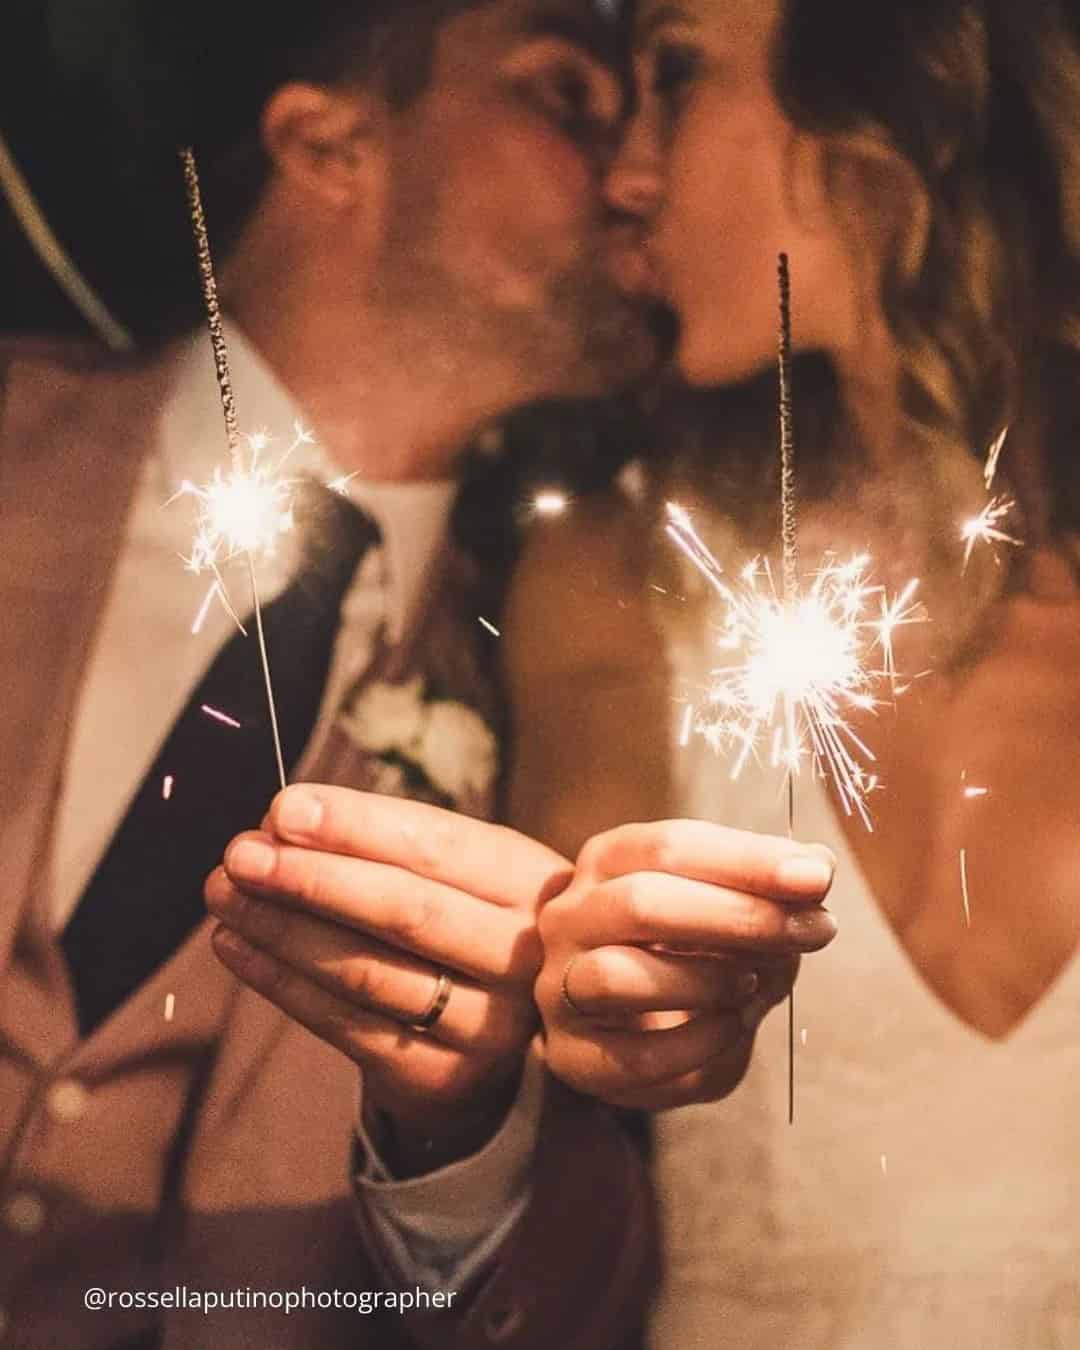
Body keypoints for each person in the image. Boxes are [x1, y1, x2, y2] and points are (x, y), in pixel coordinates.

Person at [0, 1, 840, 1346]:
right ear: (329, 142)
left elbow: (588, 1300)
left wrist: (461, 1129)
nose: (640, 175)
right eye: (570, 98)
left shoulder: (566, 701)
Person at [513, 0, 1080, 1345]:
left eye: (676, 72)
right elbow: (564, 952)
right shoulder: (616, 581)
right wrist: (597, 993)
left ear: (890, 86)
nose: (625, 174)